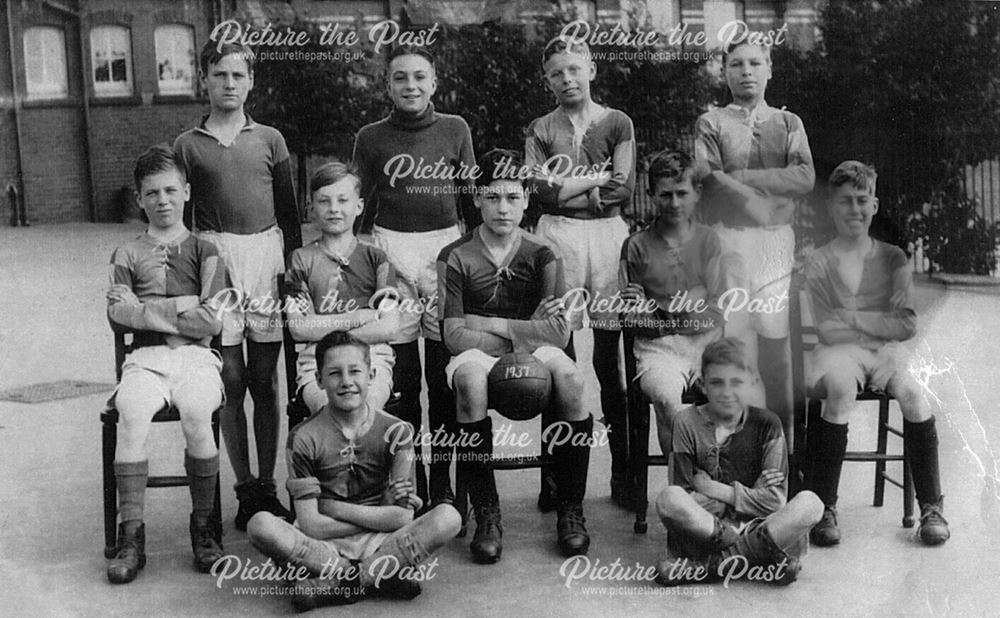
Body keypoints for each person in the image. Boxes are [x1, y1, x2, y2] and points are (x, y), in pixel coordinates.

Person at [438, 149, 593, 563]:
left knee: (574, 382)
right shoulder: (455, 254)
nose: (502, 207)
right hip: (478, 353)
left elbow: (558, 334)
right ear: (476, 199)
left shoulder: (544, 252)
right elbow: (452, 333)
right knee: (470, 382)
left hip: (526, 345)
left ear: (526, 199)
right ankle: (487, 510)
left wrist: (491, 323)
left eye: (511, 196)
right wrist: (525, 329)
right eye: (492, 197)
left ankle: (570, 508)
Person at [174, 40, 302, 529]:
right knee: (229, 379)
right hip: (216, 260)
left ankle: (267, 486)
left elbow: (290, 216)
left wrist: (292, 270)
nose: (229, 84)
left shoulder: (270, 139)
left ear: (252, 81)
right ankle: (244, 485)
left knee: (265, 380)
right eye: (219, 74)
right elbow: (184, 228)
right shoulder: (188, 145)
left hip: (264, 259)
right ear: (203, 79)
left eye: (238, 75)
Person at [246, 331, 461, 611]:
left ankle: (340, 583)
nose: (346, 382)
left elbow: (403, 515)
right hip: (323, 544)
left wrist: (333, 508)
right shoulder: (303, 437)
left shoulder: (397, 431)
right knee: (260, 525)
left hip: (380, 540)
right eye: (334, 373)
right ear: (319, 380)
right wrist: (381, 516)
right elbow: (311, 524)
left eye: (355, 371)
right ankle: (380, 575)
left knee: (448, 517)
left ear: (371, 375)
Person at [352, 45, 477, 507]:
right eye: (400, 78)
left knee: (445, 377)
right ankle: (410, 480)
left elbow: (469, 202)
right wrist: (367, 265)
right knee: (402, 381)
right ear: (387, 85)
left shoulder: (454, 129)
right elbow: (357, 207)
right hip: (391, 253)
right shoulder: (371, 137)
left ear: (434, 83)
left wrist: (470, 261)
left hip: (445, 253)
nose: (411, 86)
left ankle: (444, 482)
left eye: (420, 77)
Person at [802, 161, 950, 547]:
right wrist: (869, 322)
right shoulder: (819, 261)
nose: (854, 209)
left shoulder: (892, 258)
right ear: (831, 208)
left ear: (875, 206)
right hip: (837, 353)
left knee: (916, 395)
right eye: (845, 202)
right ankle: (824, 507)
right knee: (839, 388)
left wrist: (851, 316)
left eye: (861, 201)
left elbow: (906, 325)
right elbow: (825, 328)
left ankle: (931, 507)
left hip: (885, 352)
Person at [105, 144, 227, 583]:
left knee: (197, 411)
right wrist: (185, 308)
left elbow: (214, 317)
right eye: (152, 192)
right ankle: (131, 535)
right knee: (132, 413)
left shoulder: (206, 249)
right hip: (145, 360)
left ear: (187, 192)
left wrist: (150, 308)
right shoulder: (127, 252)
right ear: (139, 199)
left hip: (197, 360)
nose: (162, 200)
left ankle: (203, 528)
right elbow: (117, 315)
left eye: (171, 190)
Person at [525, 36, 636, 510]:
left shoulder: (617, 122)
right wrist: (594, 179)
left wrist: (576, 188)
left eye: (575, 69)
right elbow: (539, 192)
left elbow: (622, 189)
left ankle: (625, 471)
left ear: (591, 69)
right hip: (559, 237)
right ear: (546, 79)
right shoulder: (540, 128)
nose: (567, 79)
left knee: (610, 361)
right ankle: (557, 475)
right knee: (559, 357)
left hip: (608, 236)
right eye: (556, 72)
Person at [694, 39, 815, 430]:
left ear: (769, 69)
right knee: (734, 339)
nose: (746, 71)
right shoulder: (711, 122)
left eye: (754, 63)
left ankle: (781, 447)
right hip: (729, 239)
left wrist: (743, 178)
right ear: (724, 72)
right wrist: (761, 200)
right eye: (736, 64)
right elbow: (709, 179)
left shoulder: (789, 122)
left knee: (775, 342)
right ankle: (733, 442)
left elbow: (804, 176)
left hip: (775, 241)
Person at [654, 338, 823, 586]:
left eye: (737, 382)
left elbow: (775, 500)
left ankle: (709, 567)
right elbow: (686, 494)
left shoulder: (768, 424)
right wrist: (752, 493)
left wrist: (714, 489)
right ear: (702, 385)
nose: (727, 393)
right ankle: (761, 557)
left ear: (752, 382)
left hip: (762, 525)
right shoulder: (686, 422)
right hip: (707, 530)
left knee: (811, 504)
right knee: (669, 499)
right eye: (717, 383)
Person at [619, 149, 726, 460]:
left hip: (707, 347)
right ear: (651, 194)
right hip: (659, 353)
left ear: (697, 193)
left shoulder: (710, 242)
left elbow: (717, 311)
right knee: (667, 400)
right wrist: (684, 311)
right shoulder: (636, 246)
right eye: (665, 195)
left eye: (682, 193)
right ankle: (684, 487)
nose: (675, 203)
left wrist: (659, 313)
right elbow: (631, 319)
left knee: (739, 396)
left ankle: (720, 485)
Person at [284, 162, 399, 416]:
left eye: (343, 200)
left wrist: (322, 325)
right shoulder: (301, 259)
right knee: (331, 411)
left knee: (363, 407)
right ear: (311, 208)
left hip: (371, 358)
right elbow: (299, 327)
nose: (334, 209)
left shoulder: (377, 259)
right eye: (324, 201)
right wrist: (356, 317)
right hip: (318, 361)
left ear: (358, 206)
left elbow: (389, 326)